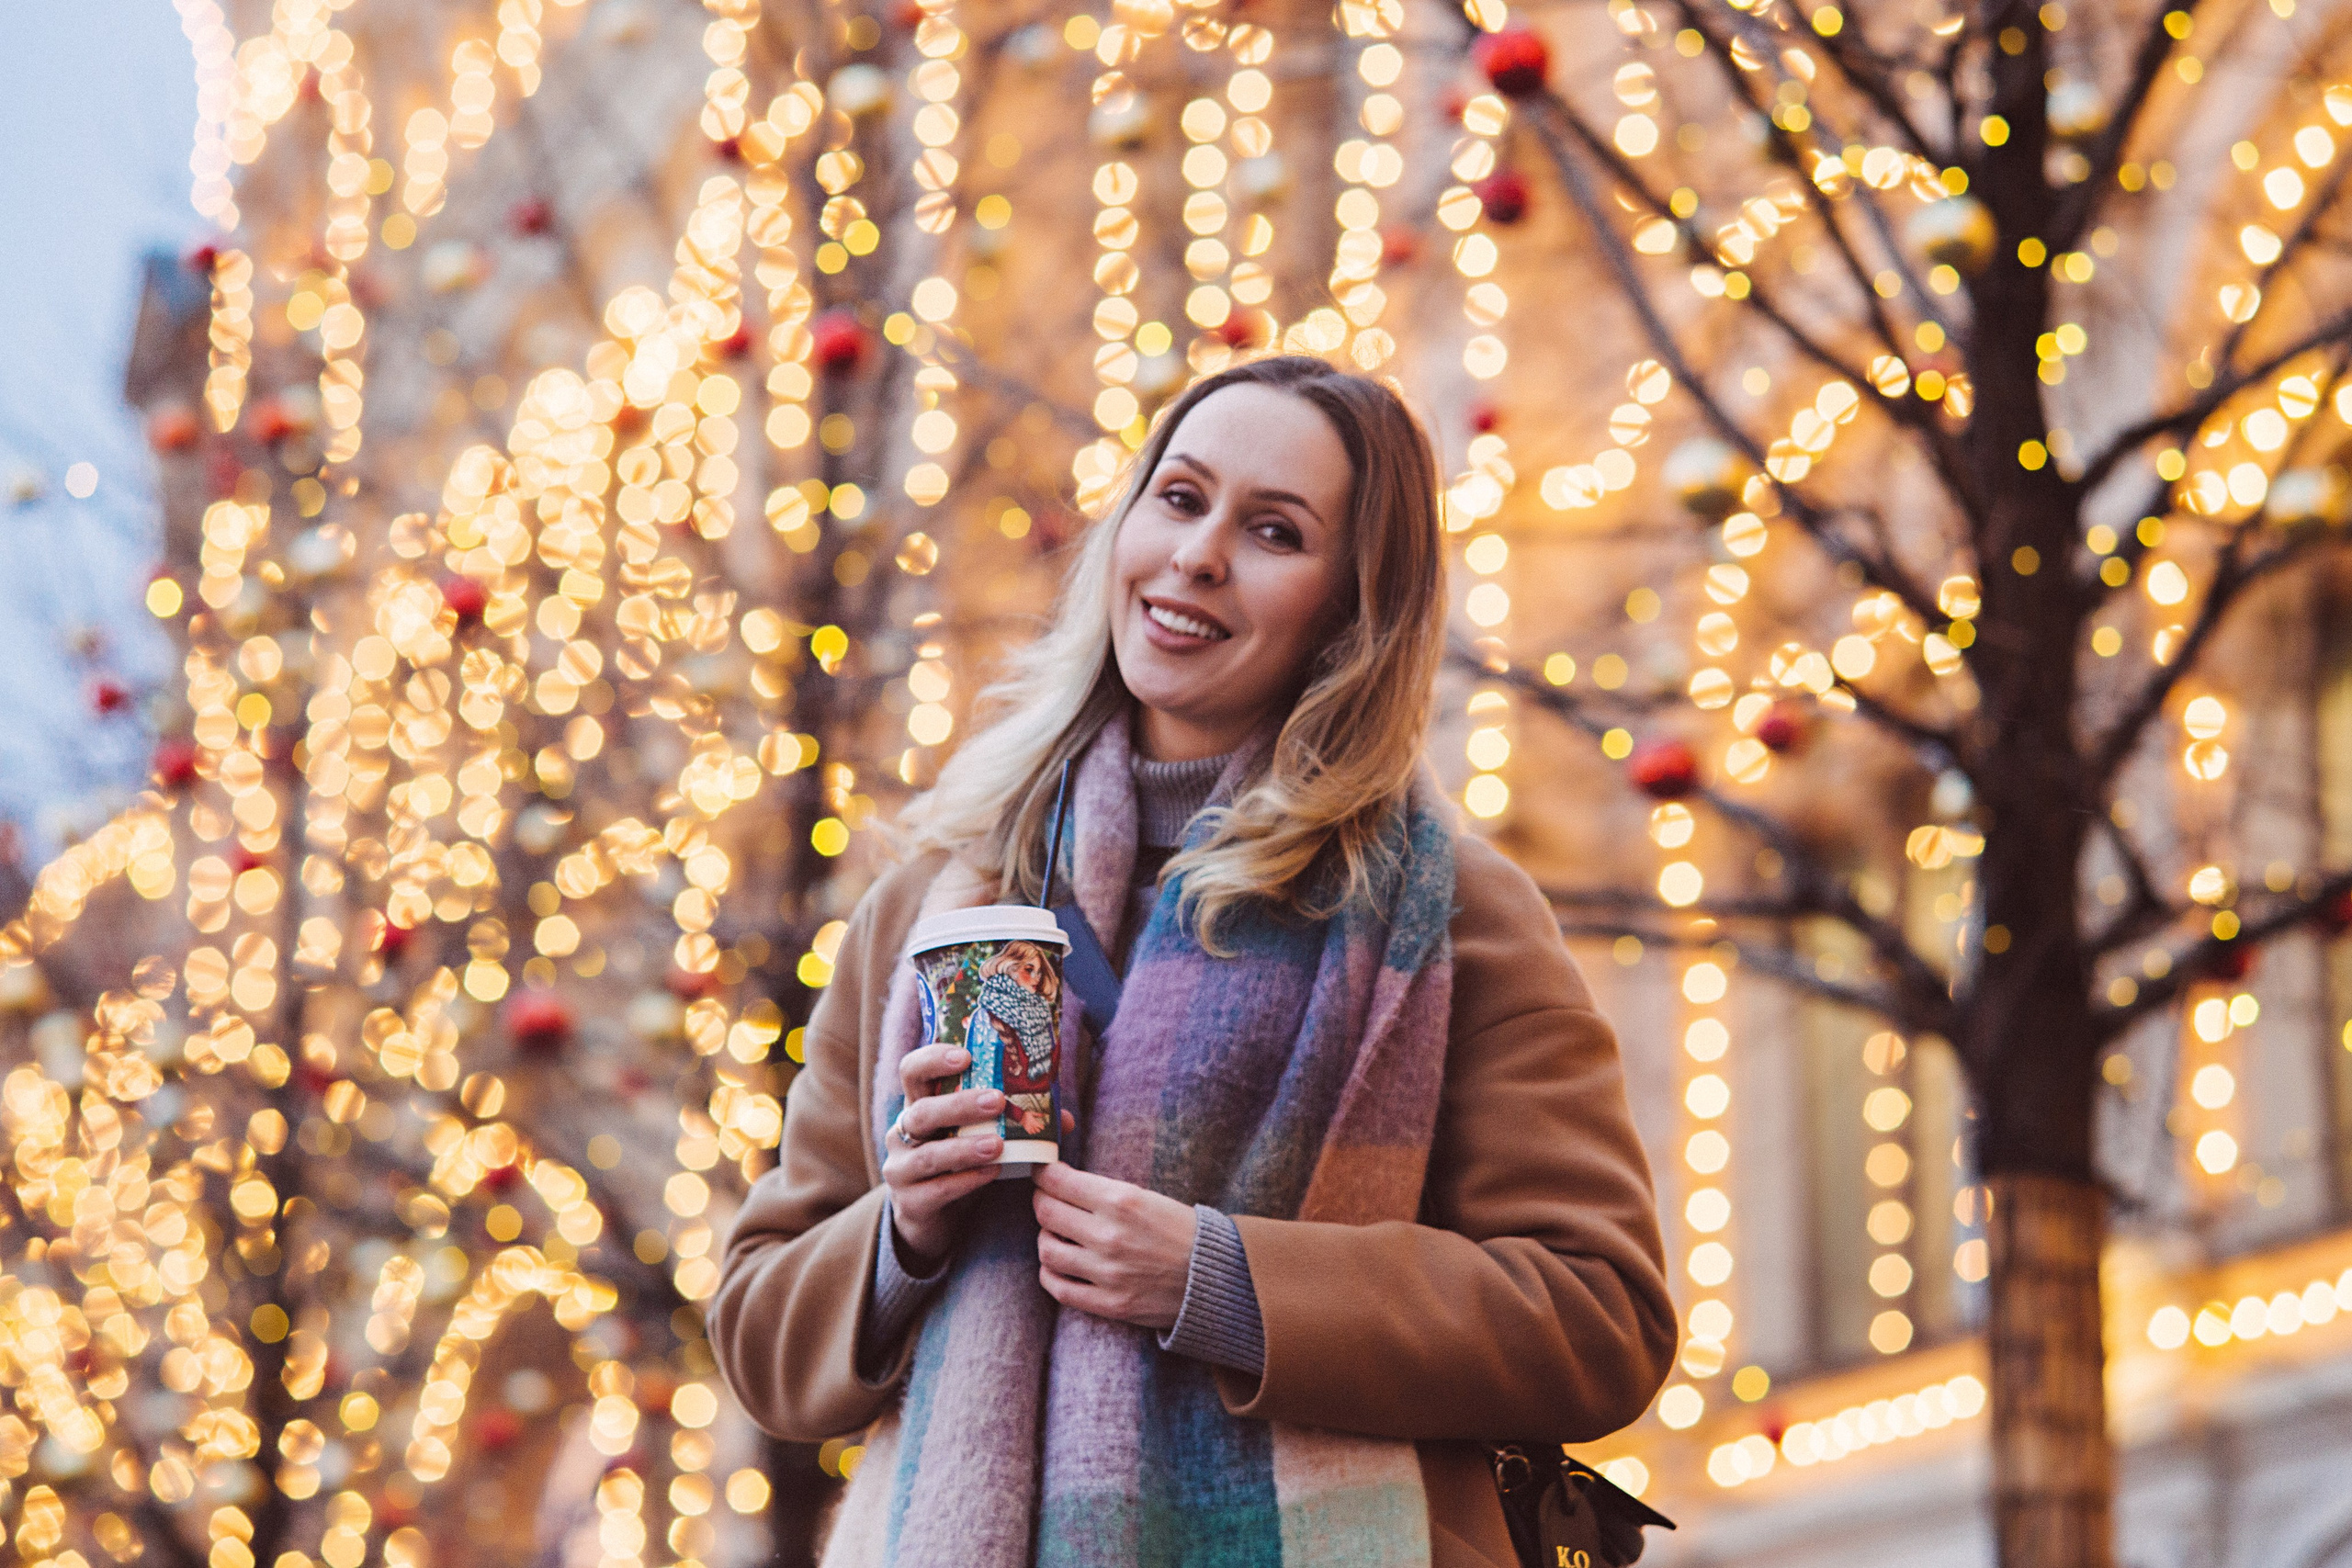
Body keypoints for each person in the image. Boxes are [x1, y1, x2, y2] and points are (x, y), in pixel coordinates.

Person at [710, 355, 1675, 1568]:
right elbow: (756, 1331)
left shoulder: (1450, 914)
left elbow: (1600, 1318)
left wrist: (1222, 1282)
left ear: (1352, 606)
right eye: (1179, 498)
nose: (1200, 554)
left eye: (1274, 530)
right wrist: (903, 1230)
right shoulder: (934, 901)